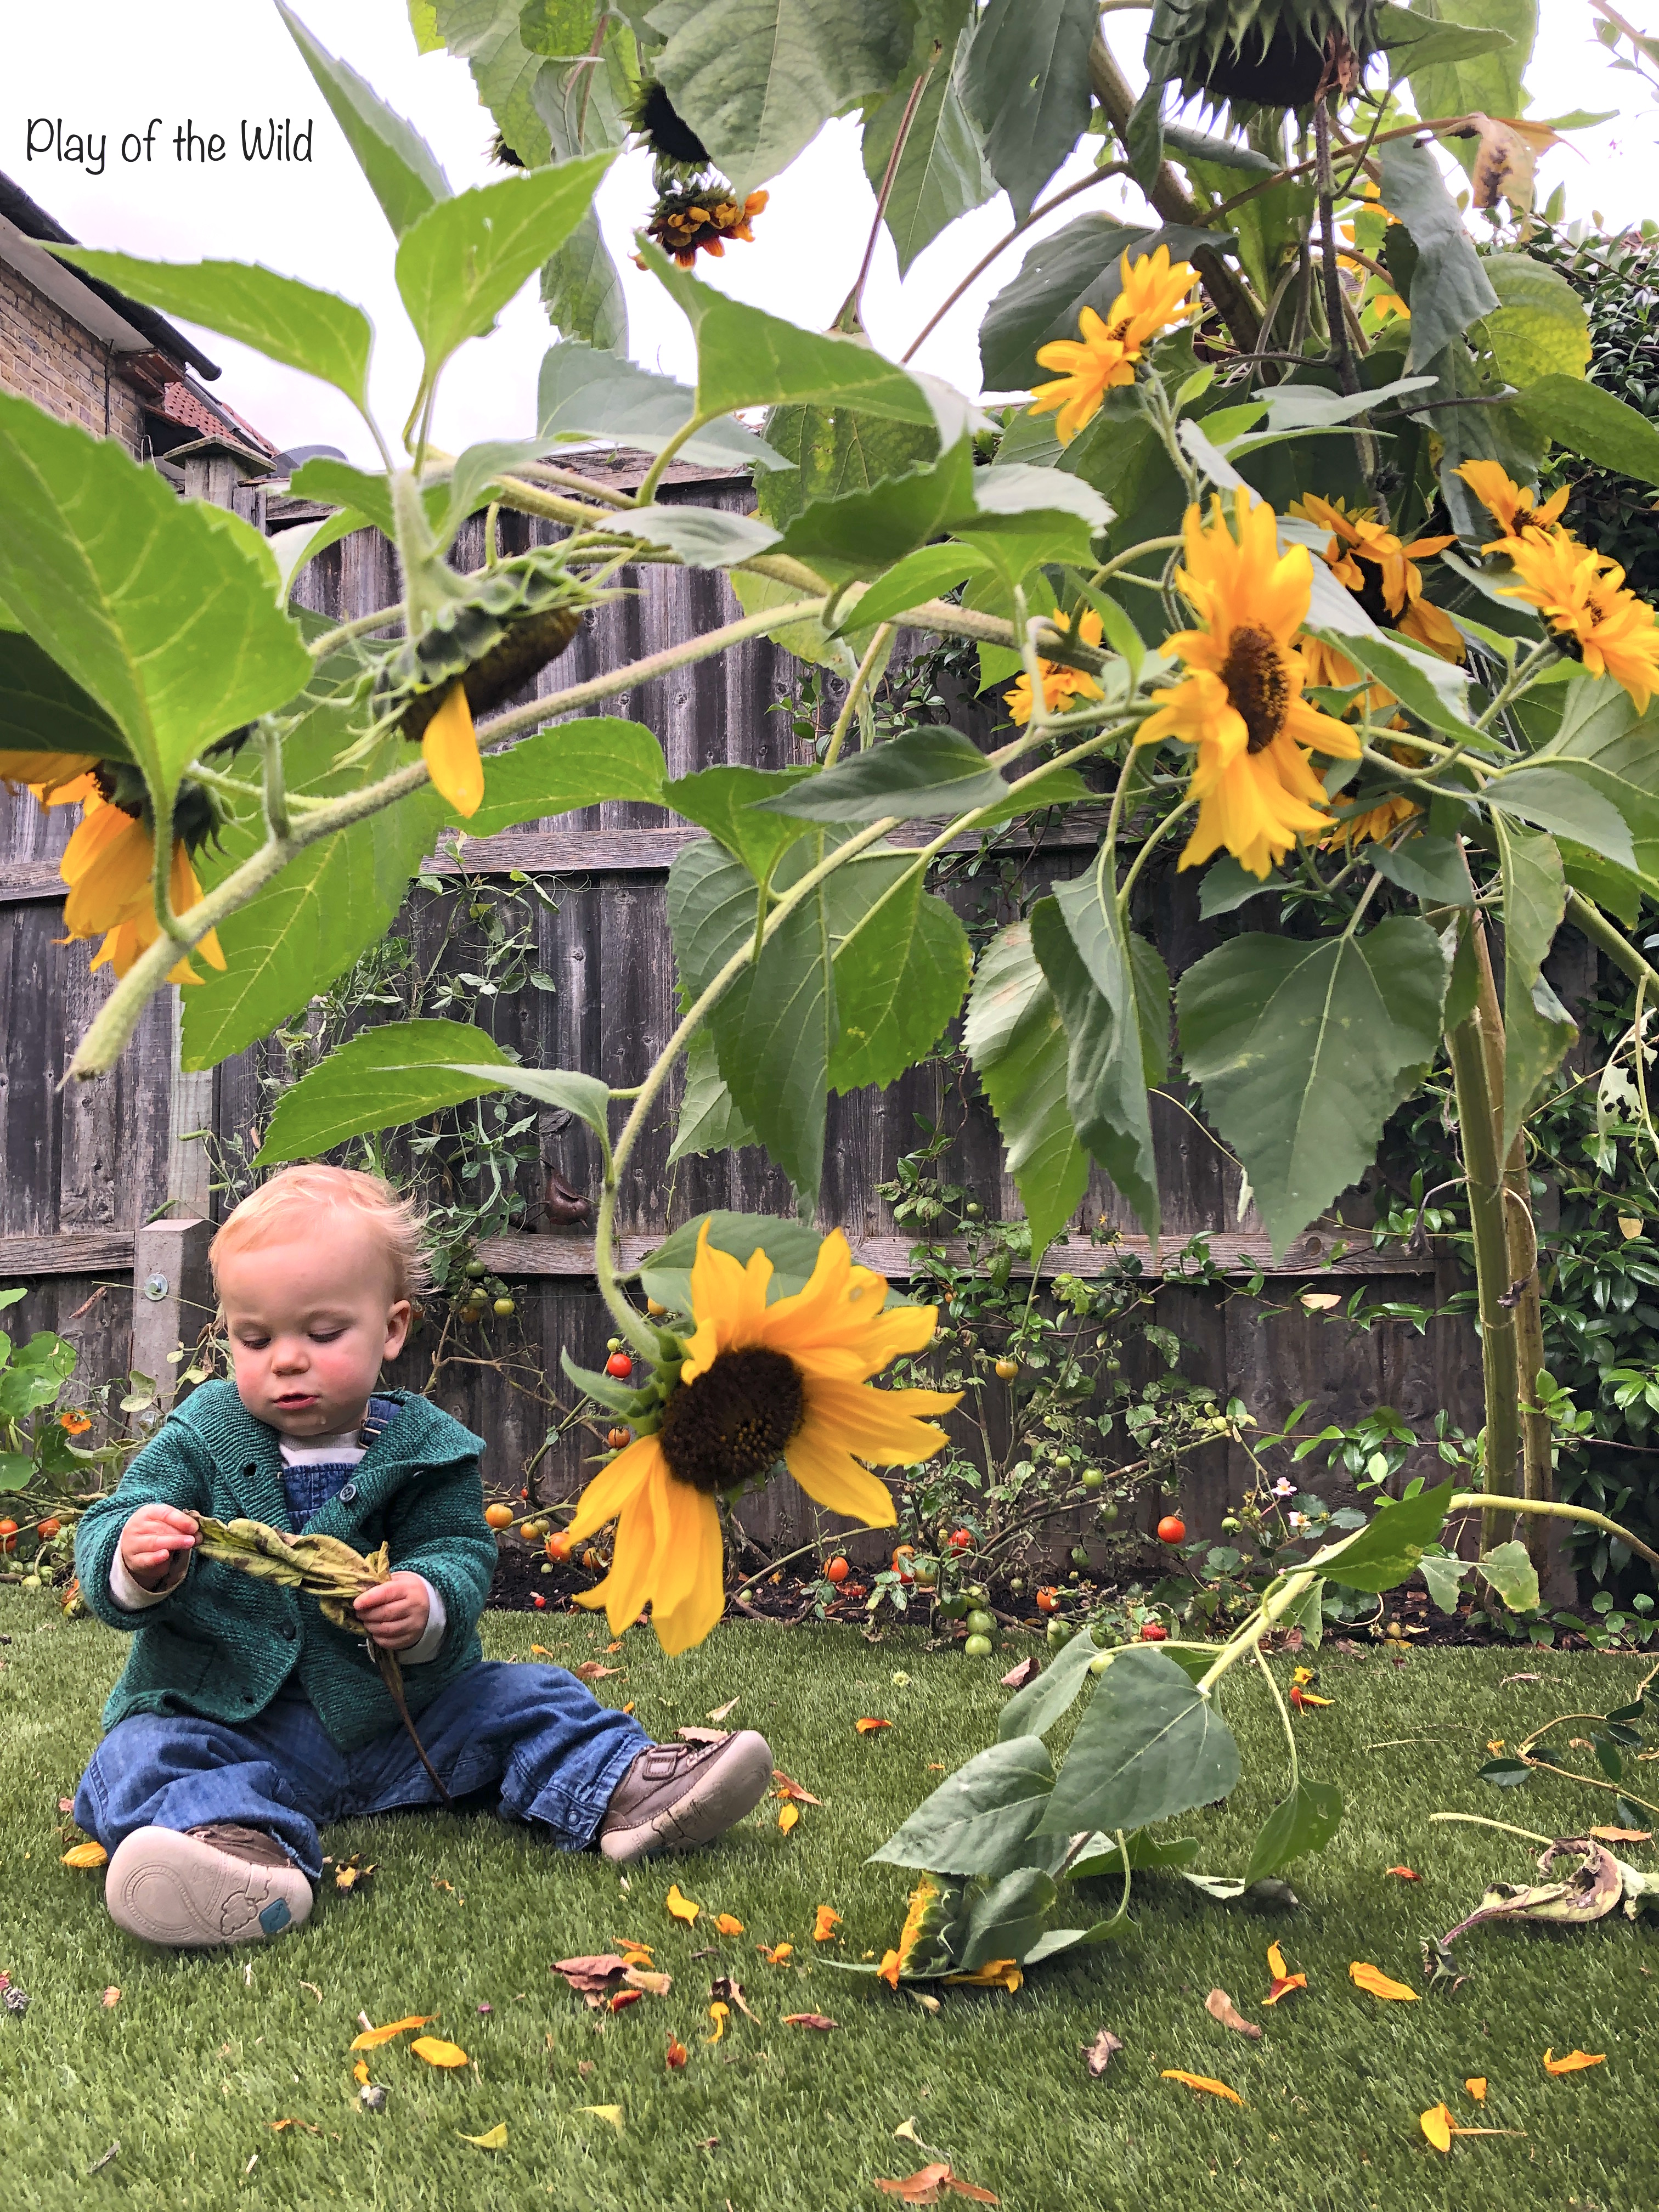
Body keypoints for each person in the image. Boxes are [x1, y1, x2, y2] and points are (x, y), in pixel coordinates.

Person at [72, 1164, 771, 1949]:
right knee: (142, 1753)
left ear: (392, 1328)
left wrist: (425, 1597)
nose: (288, 1360)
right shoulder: (202, 1433)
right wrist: (134, 1563)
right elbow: (111, 1521)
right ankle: (235, 1849)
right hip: (233, 1721)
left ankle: (623, 1787)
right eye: (255, 1338)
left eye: (323, 1334)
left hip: (402, 1730)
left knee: (529, 1696)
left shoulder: (425, 1448)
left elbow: (460, 1550)